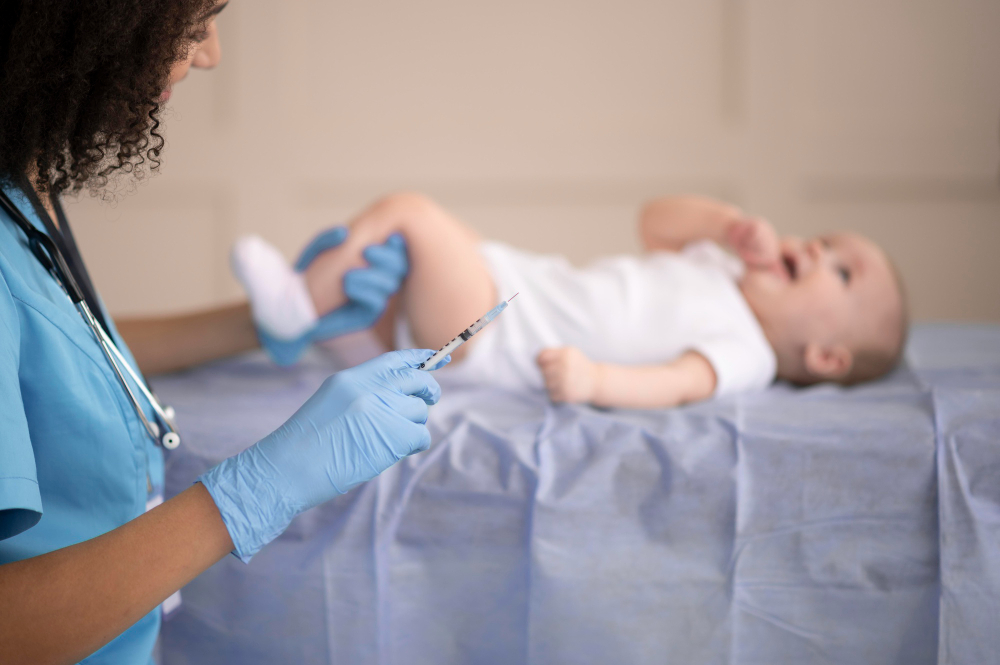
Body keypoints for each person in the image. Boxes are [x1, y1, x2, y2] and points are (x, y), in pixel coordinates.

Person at [0, 3, 440, 664]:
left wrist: (263, 323)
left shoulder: (20, 179)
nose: (209, 53)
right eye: (194, 19)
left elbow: (58, 352)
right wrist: (253, 490)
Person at [234, 192, 908, 409]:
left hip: (495, 333)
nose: (818, 252)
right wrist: (720, 224)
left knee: (410, 211)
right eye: (824, 240)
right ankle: (344, 333)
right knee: (399, 258)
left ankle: (293, 308)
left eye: (843, 273)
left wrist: (596, 381)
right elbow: (655, 223)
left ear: (824, 354)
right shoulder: (719, 265)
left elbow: (675, 385)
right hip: (508, 281)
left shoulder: (748, 352)